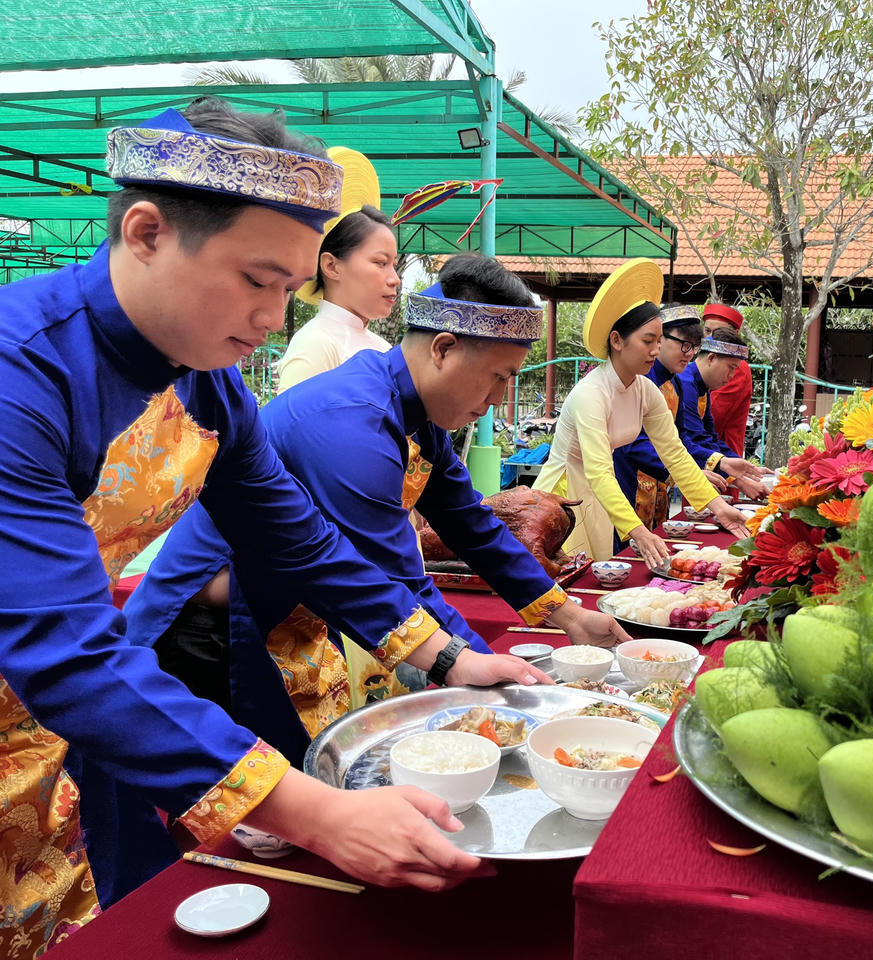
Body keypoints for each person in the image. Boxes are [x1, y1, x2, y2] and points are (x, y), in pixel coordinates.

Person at [0, 99, 543, 956]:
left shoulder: (208, 382)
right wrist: (315, 809)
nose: (272, 316)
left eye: (289, 290)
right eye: (257, 280)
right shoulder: (19, 372)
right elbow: (62, 645)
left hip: (73, 715)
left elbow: (297, 541)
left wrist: (448, 656)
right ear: (145, 232)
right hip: (59, 676)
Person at [126, 252, 630, 767]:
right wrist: (478, 664)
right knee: (260, 800)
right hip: (213, 626)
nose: (500, 400)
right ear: (444, 348)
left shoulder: (413, 412)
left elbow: (471, 523)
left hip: (294, 608)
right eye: (499, 377)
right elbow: (396, 577)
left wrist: (564, 614)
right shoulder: (353, 421)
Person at [533, 259, 749, 568]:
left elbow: (674, 453)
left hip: (601, 495)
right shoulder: (591, 393)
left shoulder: (645, 391)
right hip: (565, 496)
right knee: (567, 578)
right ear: (617, 340)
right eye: (648, 341)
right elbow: (598, 471)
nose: (654, 350)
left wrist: (717, 506)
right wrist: (638, 531)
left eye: (659, 341)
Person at [275, 147, 399, 391]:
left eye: (393, 265)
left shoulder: (384, 350)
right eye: (380, 263)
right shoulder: (314, 346)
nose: (394, 279)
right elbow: (289, 428)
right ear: (331, 266)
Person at [612, 304, 707, 531]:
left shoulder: (675, 383)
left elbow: (679, 438)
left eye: (694, 347)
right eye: (684, 345)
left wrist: (709, 465)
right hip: (630, 482)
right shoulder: (637, 379)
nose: (690, 354)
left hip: (659, 488)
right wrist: (683, 473)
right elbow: (631, 443)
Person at [669, 329, 770, 500]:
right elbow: (693, 439)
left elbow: (709, 438)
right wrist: (739, 479)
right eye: (730, 368)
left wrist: (745, 469)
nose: (731, 376)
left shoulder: (702, 387)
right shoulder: (685, 382)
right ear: (711, 358)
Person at [704, 303, 753, 456]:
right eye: (707, 331)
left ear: (735, 334)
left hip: (721, 454)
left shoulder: (737, 368)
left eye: (718, 333)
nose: (711, 339)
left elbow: (713, 418)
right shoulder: (703, 360)